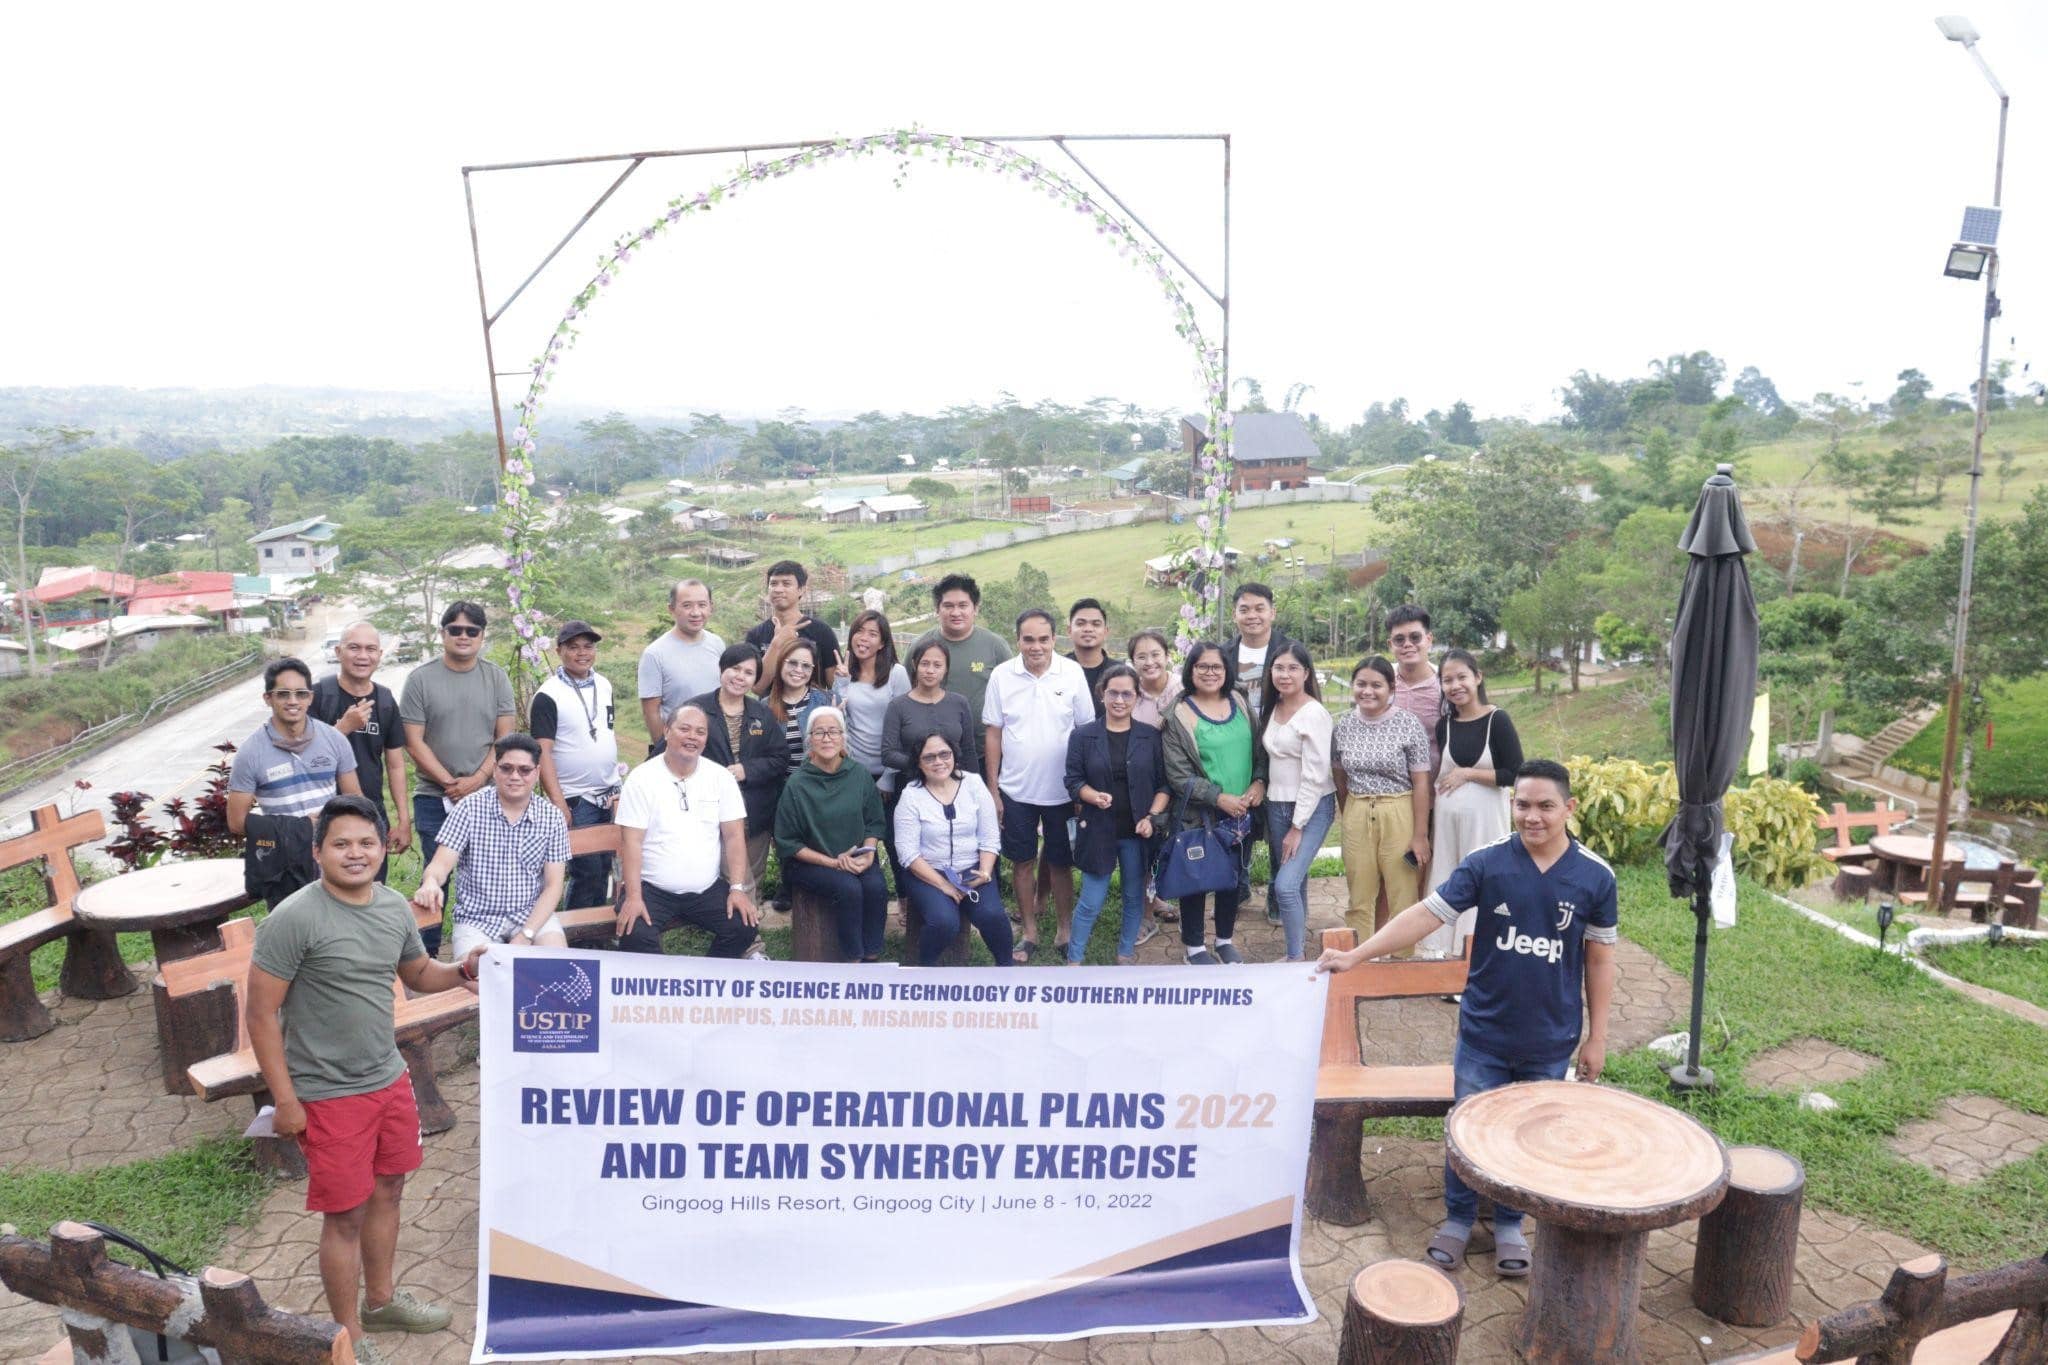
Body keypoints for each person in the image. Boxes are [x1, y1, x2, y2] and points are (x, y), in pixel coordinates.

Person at [1317, 760, 1616, 1279]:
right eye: (1523, 804)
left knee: (1527, 1133)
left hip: (1550, 1038)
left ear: (1568, 809)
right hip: (1483, 1033)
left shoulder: (1595, 876)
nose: (1533, 817)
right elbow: (1426, 914)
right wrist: (1357, 955)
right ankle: (1456, 1218)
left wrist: (1597, 1037)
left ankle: (1508, 1224)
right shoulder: (1488, 863)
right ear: (1510, 805)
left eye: (1546, 806)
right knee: (1467, 1124)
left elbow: (1599, 958)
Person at [247, 795, 478, 1364]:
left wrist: (464, 972)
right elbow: (259, 1015)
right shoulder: (293, 918)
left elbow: (418, 972)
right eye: (342, 843)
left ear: (384, 848)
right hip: (326, 1094)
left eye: (367, 843)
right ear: (318, 850)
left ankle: (380, 1300)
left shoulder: (394, 908)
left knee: (391, 1189)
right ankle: (345, 1335)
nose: (356, 853)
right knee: (344, 1213)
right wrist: (286, 1100)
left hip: (387, 1078)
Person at [400, 600, 516, 955]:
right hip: (434, 796)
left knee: (490, 871)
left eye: (472, 631)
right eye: (455, 630)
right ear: (443, 633)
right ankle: (427, 954)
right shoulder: (421, 679)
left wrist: (478, 779)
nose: (463, 636)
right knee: (437, 873)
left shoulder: (496, 677)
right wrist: (451, 783)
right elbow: (413, 741)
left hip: (488, 794)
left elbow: (505, 739)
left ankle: (495, 947)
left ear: (482, 635)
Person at [983, 608, 1092, 963]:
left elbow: (1086, 732)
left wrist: (1082, 788)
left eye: (1043, 639)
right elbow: (994, 733)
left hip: (1063, 791)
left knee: (1061, 863)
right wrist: (994, 789)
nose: (1036, 646)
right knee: (1022, 862)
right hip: (1015, 790)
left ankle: (1064, 929)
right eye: (1028, 639)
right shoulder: (1002, 676)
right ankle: (1028, 930)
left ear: (1054, 640)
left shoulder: (1072, 673)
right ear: (1018, 641)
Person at [613, 702, 764, 959]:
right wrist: (634, 896)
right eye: (684, 729)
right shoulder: (642, 778)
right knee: (635, 933)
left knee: (743, 926)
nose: (692, 737)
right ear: (667, 731)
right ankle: (660, 991)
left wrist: (737, 889)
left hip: (705, 888)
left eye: (700, 732)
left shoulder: (720, 778)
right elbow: (632, 843)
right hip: (651, 887)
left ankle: (703, 983)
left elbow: (734, 836)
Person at [410, 734, 570, 957]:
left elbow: (554, 886)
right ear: (495, 770)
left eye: (524, 770)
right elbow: (440, 864)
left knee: (556, 966)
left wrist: (526, 934)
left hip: (531, 915)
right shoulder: (469, 808)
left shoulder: (552, 817)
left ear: (537, 772)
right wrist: (430, 882)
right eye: (507, 768)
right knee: (477, 980)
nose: (515, 776)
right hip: (477, 919)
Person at [1160, 642, 1267, 964]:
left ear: (1226, 671)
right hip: (1202, 815)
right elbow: (1178, 774)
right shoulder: (1179, 714)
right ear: (1190, 671)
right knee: (1197, 879)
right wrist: (1218, 798)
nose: (1210, 672)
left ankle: (1224, 940)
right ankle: (1194, 948)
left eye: (1216, 667)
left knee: (1231, 879)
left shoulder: (1239, 700)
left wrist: (1259, 780)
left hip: (1242, 814)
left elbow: (1261, 750)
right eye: (1202, 666)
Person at [1422, 649, 1524, 960]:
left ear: (1477, 678)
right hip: (1447, 823)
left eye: (1462, 677)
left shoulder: (1497, 719)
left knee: (1483, 882)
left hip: (1485, 822)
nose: (1455, 685)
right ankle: (1438, 952)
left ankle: (1475, 958)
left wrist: (1467, 773)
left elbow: (1515, 773)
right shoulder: (1445, 724)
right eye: (1447, 680)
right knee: (1447, 879)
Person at [1064, 664, 1168, 964]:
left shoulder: (1150, 736)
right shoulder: (1083, 736)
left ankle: (1125, 953)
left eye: (1127, 694)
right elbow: (1072, 780)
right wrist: (1092, 796)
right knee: (1090, 901)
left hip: (1137, 832)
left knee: (1134, 897)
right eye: (1113, 693)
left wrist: (1151, 816)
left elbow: (1164, 786)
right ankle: (1074, 959)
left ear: (1137, 697)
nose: (1119, 700)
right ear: (1102, 694)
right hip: (1098, 829)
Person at [775, 708, 889, 962]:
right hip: (808, 863)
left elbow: (874, 823)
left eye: (833, 731)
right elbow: (789, 842)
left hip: (855, 856)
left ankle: (872, 955)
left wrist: (869, 854)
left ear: (843, 738)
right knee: (848, 888)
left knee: (875, 886)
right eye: (819, 732)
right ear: (810, 741)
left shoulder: (858, 775)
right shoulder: (797, 783)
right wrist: (834, 863)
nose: (827, 738)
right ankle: (853, 959)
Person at [1333, 656, 1432, 941]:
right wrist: (1351, 812)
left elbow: (1421, 782)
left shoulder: (1409, 725)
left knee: (1402, 892)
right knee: (1359, 893)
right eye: (1361, 684)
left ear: (1391, 688)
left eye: (1376, 685)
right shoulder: (1343, 727)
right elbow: (1340, 776)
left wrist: (1420, 835)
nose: (1368, 691)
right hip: (1357, 809)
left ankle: (1401, 963)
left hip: (1399, 808)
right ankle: (1360, 960)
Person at [894, 733, 1007, 967]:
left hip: (974, 869)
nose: (938, 761)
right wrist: (943, 884)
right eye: (929, 757)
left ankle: (1007, 973)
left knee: (992, 916)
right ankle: (923, 971)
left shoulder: (974, 784)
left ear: (954, 755)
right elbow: (908, 854)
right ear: (918, 763)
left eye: (944, 754)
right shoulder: (911, 795)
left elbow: (989, 838)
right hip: (927, 873)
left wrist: (985, 872)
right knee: (944, 922)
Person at [688, 644, 789, 904]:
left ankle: (745, 925)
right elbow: (669, 754)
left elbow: (780, 759)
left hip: (755, 810)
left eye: (748, 672)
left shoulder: (762, 714)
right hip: (711, 810)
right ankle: (748, 937)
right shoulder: (696, 710)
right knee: (736, 877)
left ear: (755, 680)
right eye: (734, 668)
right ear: (722, 669)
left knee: (752, 873)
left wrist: (748, 770)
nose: (739, 676)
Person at [531, 620, 620, 914]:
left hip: (609, 793)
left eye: (588, 646)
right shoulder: (548, 694)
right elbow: (541, 752)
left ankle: (597, 933)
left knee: (606, 867)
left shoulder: (604, 685)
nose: (582, 653)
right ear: (559, 651)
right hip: (575, 797)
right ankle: (574, 937)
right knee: (586, 871)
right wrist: (559, 802)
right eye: (573, 647)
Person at [310, 622, 410, 879]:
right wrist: (342, 728)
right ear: (338, 651)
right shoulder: (319, 696)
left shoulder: (385, 701)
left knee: (372, 888)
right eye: (354, 648)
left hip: (370, 811)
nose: (363, 656)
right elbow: (304, 757)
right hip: (322, 814)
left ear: (380, 654)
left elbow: (396, 764)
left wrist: (403, 820)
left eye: (371, 649)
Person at [1260, 642, 1336, 962]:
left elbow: (1315, 776)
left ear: (1306, 673)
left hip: (1311, 808)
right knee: (1297, 880)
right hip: (1276, 804)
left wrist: (1297, 825)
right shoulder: (1273, 707)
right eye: (1279, 667)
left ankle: (1294, 960)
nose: (1285, 674)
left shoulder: (1314, 713)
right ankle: (1298, 952)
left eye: (1293, 668)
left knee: (1285, 885)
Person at [832, 609, 911, 913]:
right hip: (855, 773)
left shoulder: (896, 673)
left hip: (890, 772)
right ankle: (868, 901)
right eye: (859, 631)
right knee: (859, 839)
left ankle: (904, 901)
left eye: (872, 633)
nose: (863, 638)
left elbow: (905, 724)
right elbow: (838, 719)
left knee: (893, 839)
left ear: (883, 643)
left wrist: (889, 777)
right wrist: (839, 683)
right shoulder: (843, 673)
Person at [229, 657, 363, 836]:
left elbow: (355, 801)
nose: (293, 701)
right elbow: (236, 823)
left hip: (329, 856)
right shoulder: (250, 753)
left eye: (301, 693)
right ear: (268, 698)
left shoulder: (335, 739)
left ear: (310, 698)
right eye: (283, 694)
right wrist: (299, 827)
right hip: (281, 858)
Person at [638, 579, 725, 751]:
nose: (696, 612)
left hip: (716, 745)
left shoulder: (717, 644)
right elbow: (651, 712)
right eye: (687, 605)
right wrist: (663, 749)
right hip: (678, 747)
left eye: (702, 605)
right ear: (671, 609)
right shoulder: (654, 654)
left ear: (711, 607)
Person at [883, 637, 982, 783]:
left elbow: (968, 751)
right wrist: (924, 763)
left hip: (954, 784)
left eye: (937, 665)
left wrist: (975, 786)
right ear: (914, 664)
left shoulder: (959, 703)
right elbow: (888, 754)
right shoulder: (898, 706)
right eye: (924, 664)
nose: (930, 671)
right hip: (913, 784)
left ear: (946, 668)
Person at [917, 573, 1011, 723]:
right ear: (937, 609)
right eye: (948, 606)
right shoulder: (920, 645)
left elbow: (1011, 695)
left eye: (963, 605)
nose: (955, 612)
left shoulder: (995, 646)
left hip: (984, 742)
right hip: (931, 742)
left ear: (975, 608)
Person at [743, 559, 842, 678]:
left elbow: (833, 685)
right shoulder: (756, 635)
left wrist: (843, 679)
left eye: (786, 584)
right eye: (773, 584)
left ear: (801, 589)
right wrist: (776, 644)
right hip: (771, 697)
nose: (778, 590)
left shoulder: (822, 632)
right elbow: (757, 687)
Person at [1385, 604, 1443, 773]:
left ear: (1429, 639)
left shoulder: (1446, 686)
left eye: (1415, 637)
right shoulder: (1380, 683)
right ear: (1390, 644)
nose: (1407, 644)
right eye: (1399, 639)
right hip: (1391, 791)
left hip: (1437, 790)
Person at [1224, 583, 1293, 724]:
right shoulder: (1222, 654)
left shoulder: (1292, 652)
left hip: (1280, 732)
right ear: (1234, 615)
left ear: (1272, 613)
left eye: (1259, 609)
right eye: (1244, 610)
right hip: (1236, 733)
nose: (1252, 616)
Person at [1063, 598, 1115, 716]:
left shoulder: (1120, 672)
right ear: (1069, 630)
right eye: (1080, 623)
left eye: (1096, 624)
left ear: (1106, 631)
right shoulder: (1056, 670)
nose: (1088, 629)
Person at [1126, 628, 1180, 729]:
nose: (1149, 662)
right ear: (1133, 662)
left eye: (1155, 655)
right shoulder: (1129, 694)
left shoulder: (1183, 688)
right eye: (1141, 657)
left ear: (1167, 656)